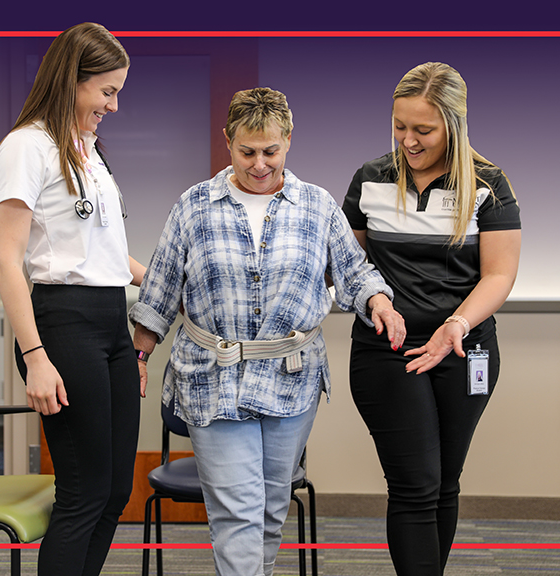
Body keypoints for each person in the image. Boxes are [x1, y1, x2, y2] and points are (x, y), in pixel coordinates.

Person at [130, 87, 405, 576]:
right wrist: (139, 355)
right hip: (213, 376)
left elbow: (353, 270)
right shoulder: (195, 206)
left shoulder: (316, 206)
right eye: (247, 152)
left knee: (270, 510)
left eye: (270, 152)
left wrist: (378, 300)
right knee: (236, 511)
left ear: (289, 142)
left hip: (291, 375)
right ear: (227, 142)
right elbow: (161, 287)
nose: (259, 164)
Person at [341, 62, 522, 576]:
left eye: (423, 130)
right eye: (400, 126)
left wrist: (456, 326)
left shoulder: (489, 184)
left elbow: (499, 276)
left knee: (444, 482)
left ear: (454, 124)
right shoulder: (371, 179)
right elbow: (350, 268)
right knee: (416, 485)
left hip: (465, 348)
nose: (408, 141)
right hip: (388, 350)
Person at [0, 22, 145, 576]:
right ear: (72, 81)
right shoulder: (26, 146)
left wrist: (159, 282)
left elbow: (104, 253)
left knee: (112, 494)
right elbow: (7, 261)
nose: (114, 105)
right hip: (61, 328)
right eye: (107, 91)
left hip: (110, 325)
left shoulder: (91, 151)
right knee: (82, 493)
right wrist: (35, 357)